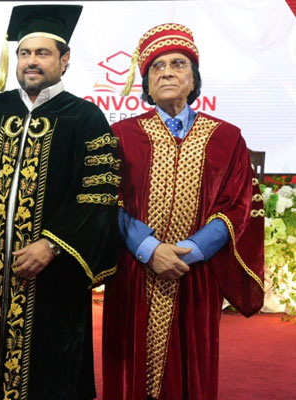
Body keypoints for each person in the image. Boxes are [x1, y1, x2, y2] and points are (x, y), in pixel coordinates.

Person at [0, 5, 120, 399]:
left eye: (42, 54)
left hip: (52, 277)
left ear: (64, 59)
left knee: (51, 372)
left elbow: (99, 196)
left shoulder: (85, 117)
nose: (32, 62)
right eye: (25, 54)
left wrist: (52, 244)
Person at [102, 23, 264, 400]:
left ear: (194, 79)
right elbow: (107, 201)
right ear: (146, 83)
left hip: (194, 274)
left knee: (192, 371)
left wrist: (187, 251)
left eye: (179, 64)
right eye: (156, 67)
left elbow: (237, 207)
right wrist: (150, 249)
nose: (168, 72)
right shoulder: (120, 135)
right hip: (134, 273)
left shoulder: (227, 138)